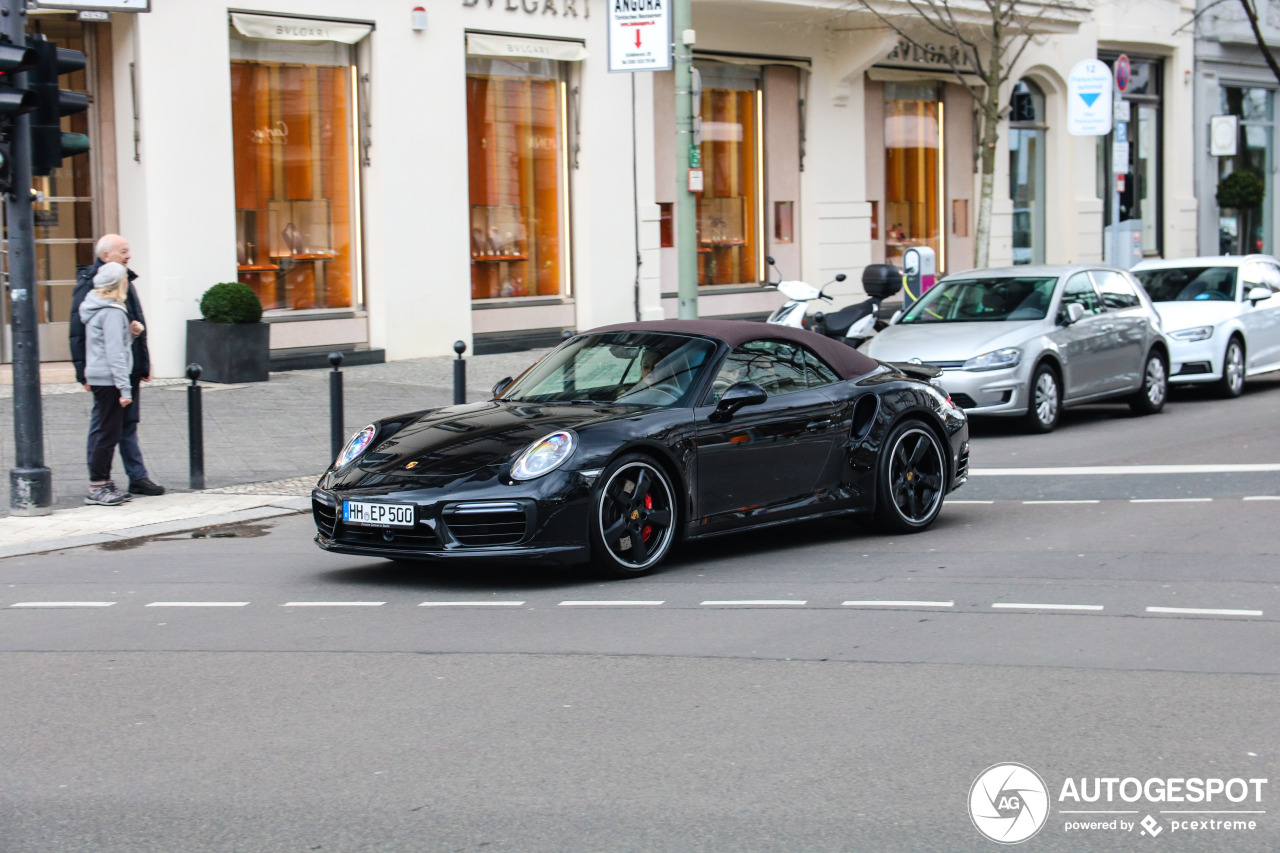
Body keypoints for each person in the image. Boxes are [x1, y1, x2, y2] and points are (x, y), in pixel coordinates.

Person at [69, 234, 165, 496]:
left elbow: (133, 323)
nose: (129, 255)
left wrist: (142, 363)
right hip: (109, 372)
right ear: (106, 256)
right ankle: (99, 482)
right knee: (105, 427)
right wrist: (83, 372)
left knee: (127, 423)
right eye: (123, 250)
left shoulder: (123, 281)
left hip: (126, 365)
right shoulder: (94, 286)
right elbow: (79, 332)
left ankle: (136, 477)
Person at [79, 262, 138, 506]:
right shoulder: (113, 311)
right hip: (109, 379)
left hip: (100, 376)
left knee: (106, 430)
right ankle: (98, 486)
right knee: (108, 433)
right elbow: (115, 353)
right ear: (118, 284)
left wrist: (131, 334)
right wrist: (125, 389)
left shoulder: (96, 306)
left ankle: (103, 482)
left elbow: (108, 344)